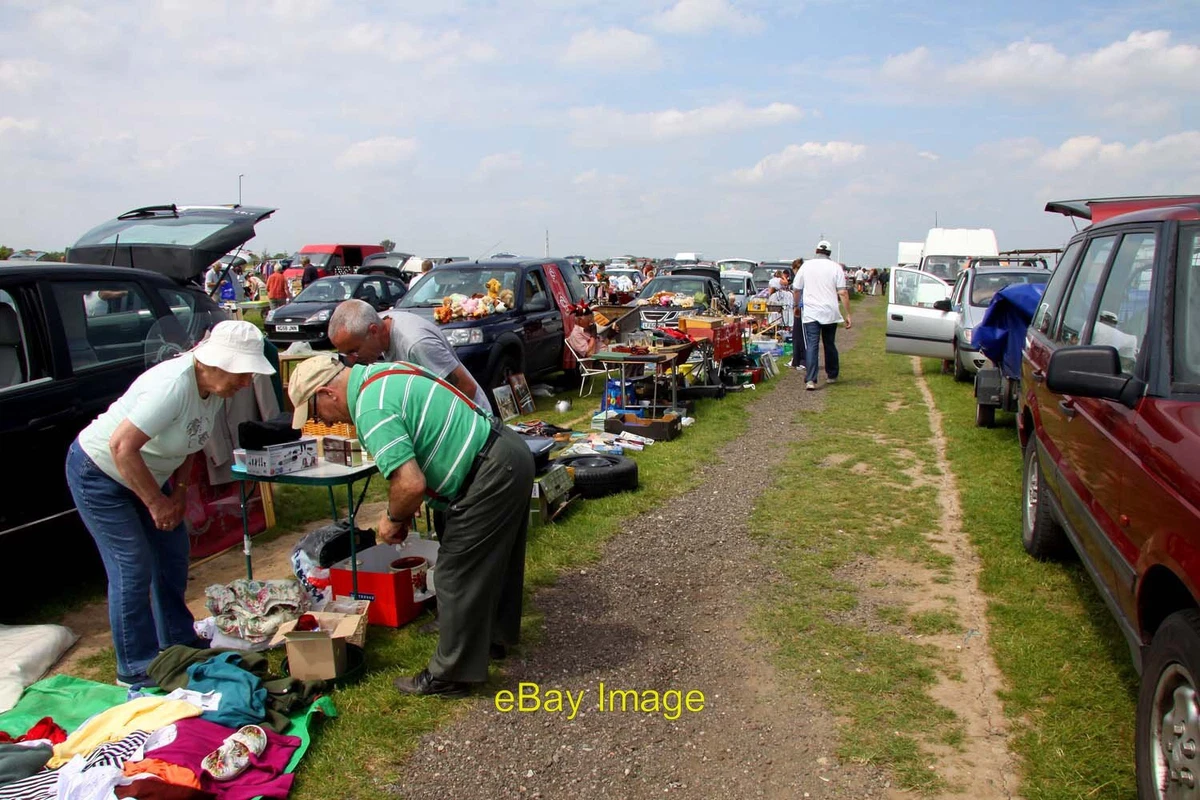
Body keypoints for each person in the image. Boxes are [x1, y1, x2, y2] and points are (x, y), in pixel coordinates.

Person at [287, 354, 535, 697]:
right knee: (495, 563)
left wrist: (392, 520)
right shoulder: (382, 372)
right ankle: (490, 642)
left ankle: (451, 675)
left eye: (317, 413)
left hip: (489, 470)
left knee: (453, 575)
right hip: (505, 453)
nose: (324, 423)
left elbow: (409, 484)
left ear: (328, 393)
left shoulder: (369, 411)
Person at [65, 321, 276, 686]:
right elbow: (121, 446)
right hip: (100, 473)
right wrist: (155, 503)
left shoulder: (211, 389)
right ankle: (135, 665)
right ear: (217, 363)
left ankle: (177, 638)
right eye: (243, 374)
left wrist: (177, 494)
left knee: (173, 553)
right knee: (132, 565)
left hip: (149, 473)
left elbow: (189, 444)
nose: (246, 383)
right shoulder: (173, 386)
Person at [327, 299, 490, 410]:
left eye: (354, 351)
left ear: (373, 331)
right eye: (345, 353)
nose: (351, 360)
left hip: (471, 422)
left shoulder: (416, 344)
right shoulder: (379, 322)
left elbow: (466, 389)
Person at [793, 240, 852, 389]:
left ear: (816, 250)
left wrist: (796, 306)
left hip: (811, 312)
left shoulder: (806, 266)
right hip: (830, 311)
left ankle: (811, 380)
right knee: (829, 343)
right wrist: (848, 314)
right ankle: (832, 374)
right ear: (830, 253)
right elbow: (843, 292)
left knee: (812, 344)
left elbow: (797, 289)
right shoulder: (835, 267)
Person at [790, 258, 805, 369]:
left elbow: (797, 293)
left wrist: (796, 306)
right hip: (806, 309)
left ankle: (800, 360)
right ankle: (798, 359)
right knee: (801, 336)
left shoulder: (799, 278)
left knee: (798, 336)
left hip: (801, 309)